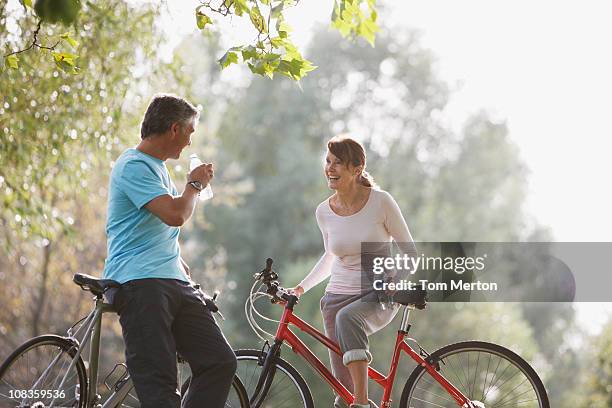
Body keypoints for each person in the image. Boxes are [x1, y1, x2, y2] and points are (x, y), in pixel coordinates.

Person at [102, 94, 237, 408]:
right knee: (162, 390)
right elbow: (175, 214)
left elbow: (157, 229)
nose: (190, 142)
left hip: (173, 282)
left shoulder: (158, 169)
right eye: (190, 132)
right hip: (139, 282)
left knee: (220, 362)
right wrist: (194, 186)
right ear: (175, 128)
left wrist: (179, 263)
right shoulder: (132, 165)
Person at [291, 135, 416, 408]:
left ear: (357, 169)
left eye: (338, 163)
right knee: (341, 390)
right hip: (335, 299)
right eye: (328, 162)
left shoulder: (381, 202)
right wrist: (300, 287)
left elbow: (411, 254)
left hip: (378, 293)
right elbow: (329, 257)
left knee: (349, 320)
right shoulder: (324, 211)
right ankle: (353, 400)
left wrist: (395, 282)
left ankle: (363, 403)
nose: (330, 168)